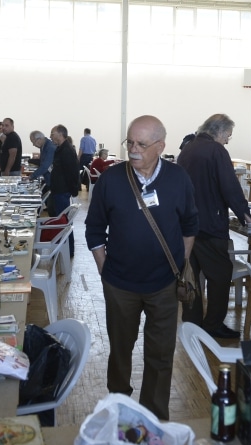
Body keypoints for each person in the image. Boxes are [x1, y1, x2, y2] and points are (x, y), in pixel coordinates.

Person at [85, 115, 198, 420]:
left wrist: (179, 265)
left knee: (161, 356)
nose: (133, 149)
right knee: (120, 352)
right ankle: (119, 409)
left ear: (160, 146)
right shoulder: (111, 178)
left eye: (142, 144)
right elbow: (94, 229)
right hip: (120, 284)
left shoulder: (177, 178)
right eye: (130, 142)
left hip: (164, 285)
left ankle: (155, 419)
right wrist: (104, 269)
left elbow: (190, 226)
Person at [177, 113, 251, 339]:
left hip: (187, 226)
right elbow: (229, 187)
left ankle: (191, 322)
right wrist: (245, 215)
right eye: (227, 136)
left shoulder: (188, 148)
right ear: (218, 131)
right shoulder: (216, 151)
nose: (228, 140)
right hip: (210, 224)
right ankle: (213, 324)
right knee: (221, 276)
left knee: (191, 275)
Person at [49, 124, 81, 257]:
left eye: (53, 134)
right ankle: (63, 248)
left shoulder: (66, 150)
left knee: (64, 222)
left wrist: (73, 190)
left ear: (60, 134)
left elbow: (71, 172)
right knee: (61, 220)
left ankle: (68, 249)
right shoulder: (61, 148)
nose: (51, 137)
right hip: (59, 190)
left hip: (63, 191)